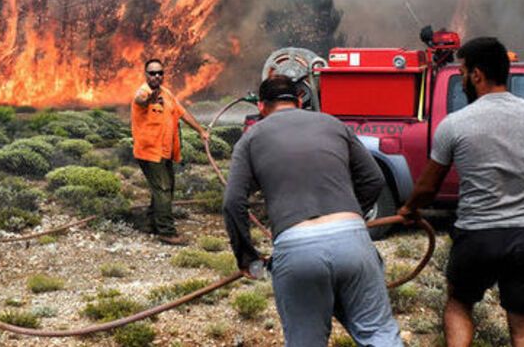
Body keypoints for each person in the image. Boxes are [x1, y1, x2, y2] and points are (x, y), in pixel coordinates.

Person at [398, 38, 524, 347]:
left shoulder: (455, 124)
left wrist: (409, 209)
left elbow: (429, 187)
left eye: (462, 72)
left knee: (459, 304)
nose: (461, 80)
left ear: (477, 75)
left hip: (477, 235)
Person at [223, 75, 402, 346]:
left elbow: (233, 202)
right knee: (379, 335)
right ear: (298, 101)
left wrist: (247, 257)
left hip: (296, 247)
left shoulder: (251, 138)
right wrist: (352, 215)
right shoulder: (333, 123)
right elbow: (374, 180)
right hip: (352, 239)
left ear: (261, 106)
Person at [131, 58, 209, 245]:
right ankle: (166, 231)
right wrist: (150, 98)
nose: (156, 76)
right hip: (149, 152)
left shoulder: (167, 94)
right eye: (152, 73)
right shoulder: (143, 92)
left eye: (160, 73)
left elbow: (183, 114)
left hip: (165, 151)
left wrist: (201, 131)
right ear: (146, 75)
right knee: (163, 189)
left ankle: (151, 223)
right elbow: (140, 100)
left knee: (164, 188)